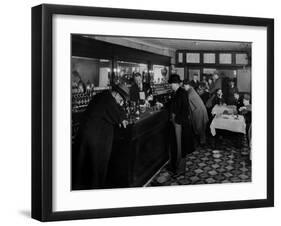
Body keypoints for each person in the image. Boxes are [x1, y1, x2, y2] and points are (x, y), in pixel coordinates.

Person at [72, 84, 129, 190]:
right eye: (121, 98)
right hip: (94, 137)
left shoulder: (105, 95)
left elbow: (118, 109)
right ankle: (95, 189)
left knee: (85, 165)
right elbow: (117, 113)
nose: (121, 101)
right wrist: (122, 119)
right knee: (95, 165)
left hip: (89, 135)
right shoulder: (108, 100)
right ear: (116, 94)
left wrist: (122, 116)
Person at [168, 74, 194, 175]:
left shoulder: (181, 93)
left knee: (180, 147)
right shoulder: (178, 92)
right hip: (178, 122)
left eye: (171, 84)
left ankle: (180, 169)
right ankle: (176, 166)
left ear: (175, 84)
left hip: (180, 123)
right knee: (177, 146)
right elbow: (173, 104)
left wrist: (177, 121)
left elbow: (183, 109)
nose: (170, 86)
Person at [183, 80, 209, 145]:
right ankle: (202, 141)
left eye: (184, 86)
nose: (184, 88)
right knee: (200, 127)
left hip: (199, 111)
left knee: (200, 128)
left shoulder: (190, 93)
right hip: (200, 110)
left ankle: (202, 142)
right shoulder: (191, 90)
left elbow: (187, 104)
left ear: (187, 85)